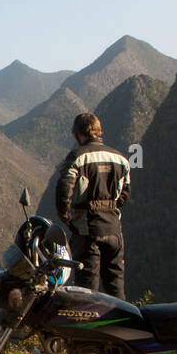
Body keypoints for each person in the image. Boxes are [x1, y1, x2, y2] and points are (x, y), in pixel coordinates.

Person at [54, 112, 131, 299]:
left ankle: (87, 328)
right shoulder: (120, 159)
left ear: (78, 133)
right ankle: (121, 325)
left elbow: (64, 190)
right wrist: (110, 208)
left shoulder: (78, 157)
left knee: (87, 292)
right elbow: (125, 194)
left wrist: (68, 218)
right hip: (114, 230)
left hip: (88, 231)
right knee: (116, 287)